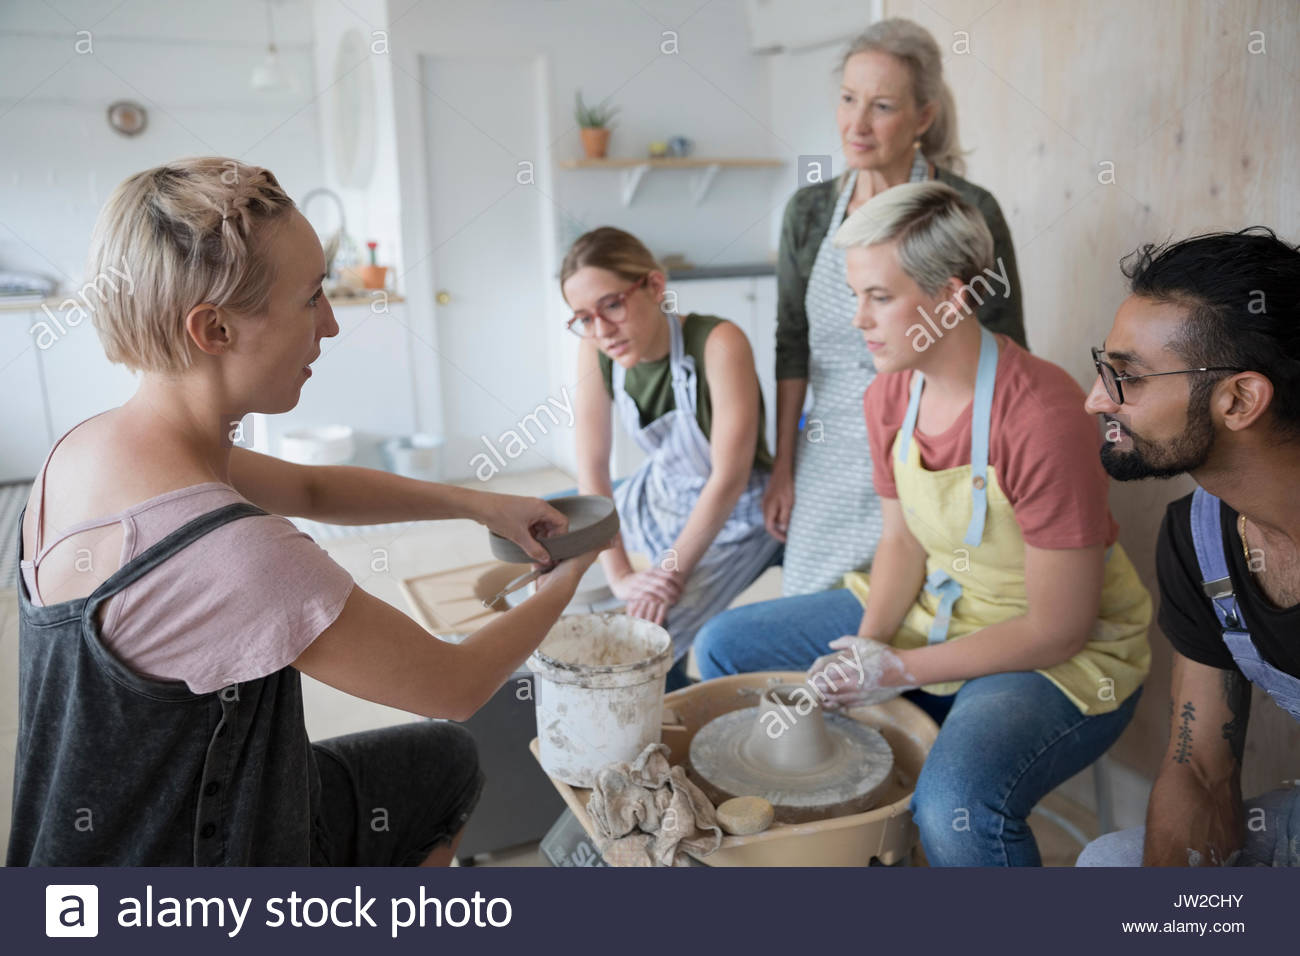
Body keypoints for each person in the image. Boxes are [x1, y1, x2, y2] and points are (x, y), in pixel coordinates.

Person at [8, 158, 606, 867]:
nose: (330, 324)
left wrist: (482, 504)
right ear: (215, 330)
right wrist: (566, 580)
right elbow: (456, 685)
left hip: (62, 865)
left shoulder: (87, 449)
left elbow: (316, 490)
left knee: (436, 766)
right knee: (447, 751)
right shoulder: (235, 557)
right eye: (312, 298)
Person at [696, 182, 1151, 866]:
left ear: (954, 298)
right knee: (725, 646)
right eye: (856, 296)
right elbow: (901, 542)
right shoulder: (888, 395)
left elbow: (1060, 628)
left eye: (879, 296)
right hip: (946, 605)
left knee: (956, 810)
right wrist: (866, 649)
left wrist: (901, 668)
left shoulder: (1042, 416)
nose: (859, 320)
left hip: (1062, 651)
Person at [767, 18, 1026, 596]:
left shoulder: (969, 211)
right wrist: (783, 465)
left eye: (881, 106)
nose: (856, 124)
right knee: (809, 608)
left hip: (934, 449)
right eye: (848, 99)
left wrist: (992, 472)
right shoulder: (808, 213)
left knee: (920, 615)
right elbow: (792, 346)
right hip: (830, 446)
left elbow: (1006, 347)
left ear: (924, 117)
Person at [1076, 229, 1300, 867]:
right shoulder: (1200, 539)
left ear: (1239, 400)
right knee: (1109, 866)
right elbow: (1201, 768)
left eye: (1128, 378)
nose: (1097, 399)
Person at [564, 227, 781, 690]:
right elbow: (593, 470)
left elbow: (730, 476)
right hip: (660, 489)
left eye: (612, 305)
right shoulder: (595, 349)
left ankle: (671, 727)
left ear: (655, 287)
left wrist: (666, 572)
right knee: (551, 537)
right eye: (583, 317)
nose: (601, 330)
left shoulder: (719, 342)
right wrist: (621, 575)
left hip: (733, 509)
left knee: (652, 629)